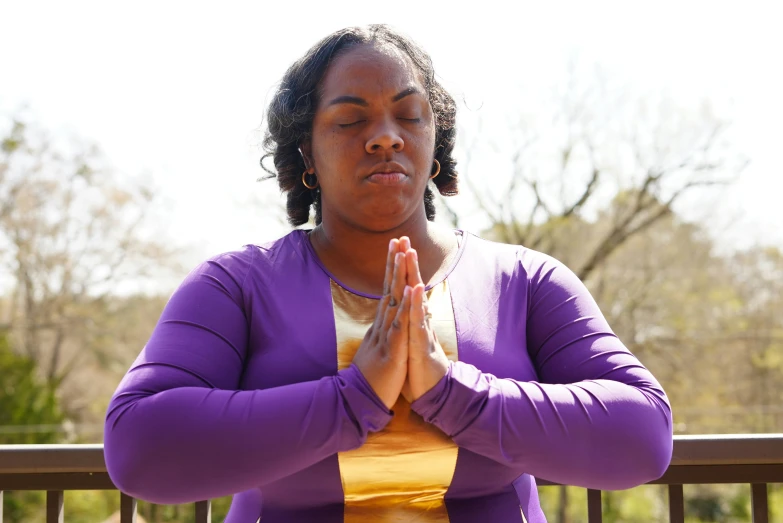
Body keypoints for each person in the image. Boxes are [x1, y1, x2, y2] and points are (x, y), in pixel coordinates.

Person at [104, 24, 673, 523]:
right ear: (306, 153)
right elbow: (138, 449)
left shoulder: (525, 281)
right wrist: (353, 397)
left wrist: (452, 393)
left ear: (434, 140)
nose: (385, 136)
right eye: (351, 119)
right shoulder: (236, 286)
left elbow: (643, 438)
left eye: (409, 115)